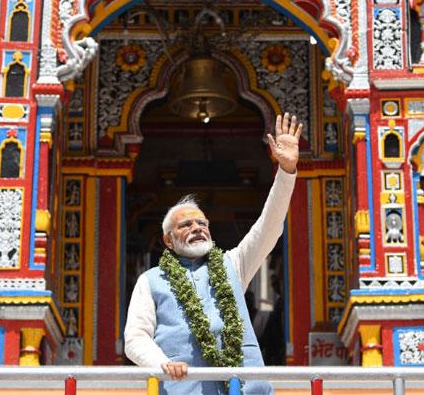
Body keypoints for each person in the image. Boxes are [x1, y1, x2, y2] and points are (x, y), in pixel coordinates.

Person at [124, 113, 302, 394]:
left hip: (243, 389)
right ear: (167, 241)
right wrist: (162, 363)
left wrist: (286, 171)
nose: (197, 228)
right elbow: (135, 338)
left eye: (202, 223)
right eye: (186, 225)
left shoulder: (233, 264)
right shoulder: (151, 280)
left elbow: (268, 227)